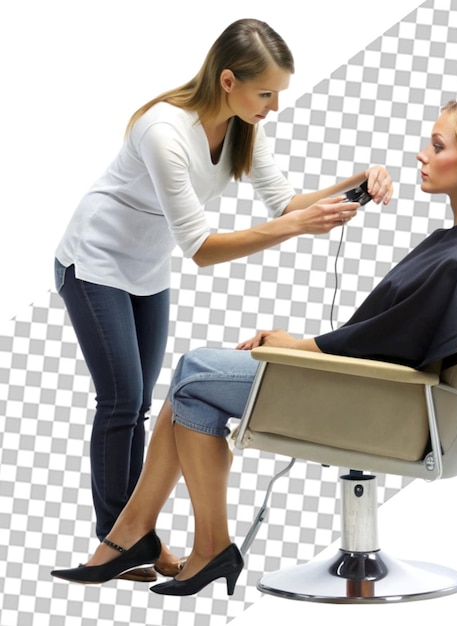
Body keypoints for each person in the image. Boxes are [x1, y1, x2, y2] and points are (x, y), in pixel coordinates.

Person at [51, 101, 457, 595]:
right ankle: (179, 544)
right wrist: (296, 345)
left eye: (437, 146)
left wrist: (297, 348)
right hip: (370, 394)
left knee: (191, 374)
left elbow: (394, 349)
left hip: (374, 403)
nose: (422, 154)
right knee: (192, 389)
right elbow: (390, 337)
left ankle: (146, 537)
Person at [53, 19, 393, 580]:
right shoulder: (164, 131)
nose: (275, 106)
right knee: (123, 400)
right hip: (93, 262)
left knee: (138, 403)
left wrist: (361, 178)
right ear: (228, 80)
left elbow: (286, 203)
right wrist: (297, 227)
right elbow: (203, 249)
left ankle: (130, 538)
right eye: (267, 93)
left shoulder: (241, 124)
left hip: (145, 268)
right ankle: (120, 542)